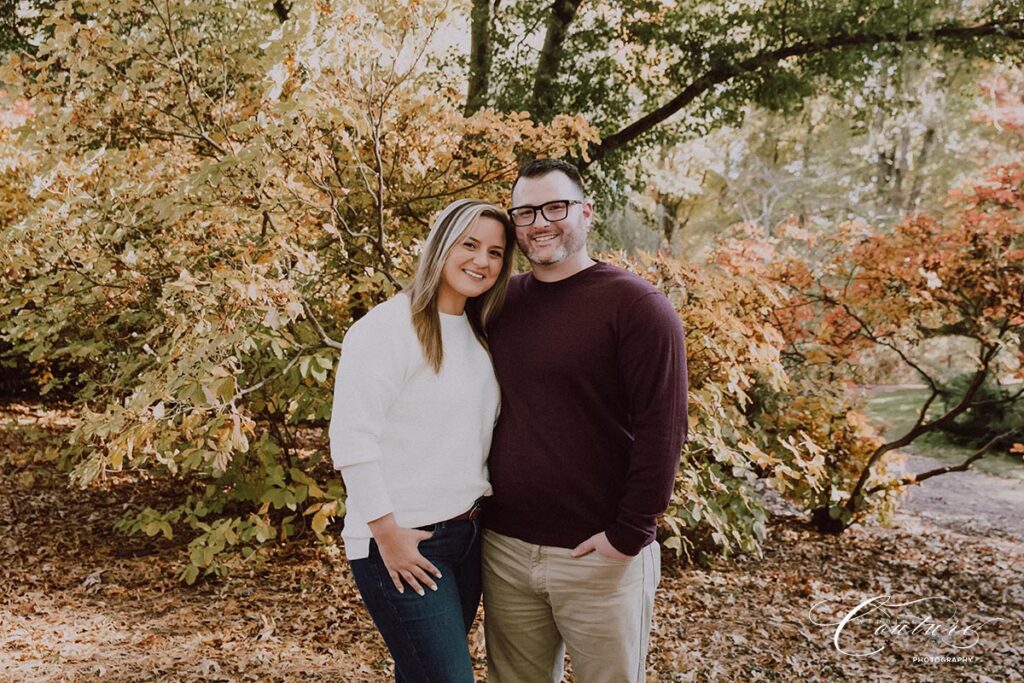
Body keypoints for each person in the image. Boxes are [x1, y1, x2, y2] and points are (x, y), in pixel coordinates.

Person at [480, 158, 689, 682]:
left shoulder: (638, 307)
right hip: (505, 550)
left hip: (600, 555)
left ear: (587, 212)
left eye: (555, 207)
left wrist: (628, 534)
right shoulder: (499, 304)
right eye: (525, 212)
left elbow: (663, 432)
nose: (539, 222)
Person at [329, 198, 515, 683]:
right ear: (440, 245)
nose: (482, 261)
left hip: (467, 536)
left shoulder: (479, 334)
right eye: (469, 244)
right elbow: (352, 440)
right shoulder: (385, 329)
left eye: (496, 253)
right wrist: (387, 536)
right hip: (404, 541)